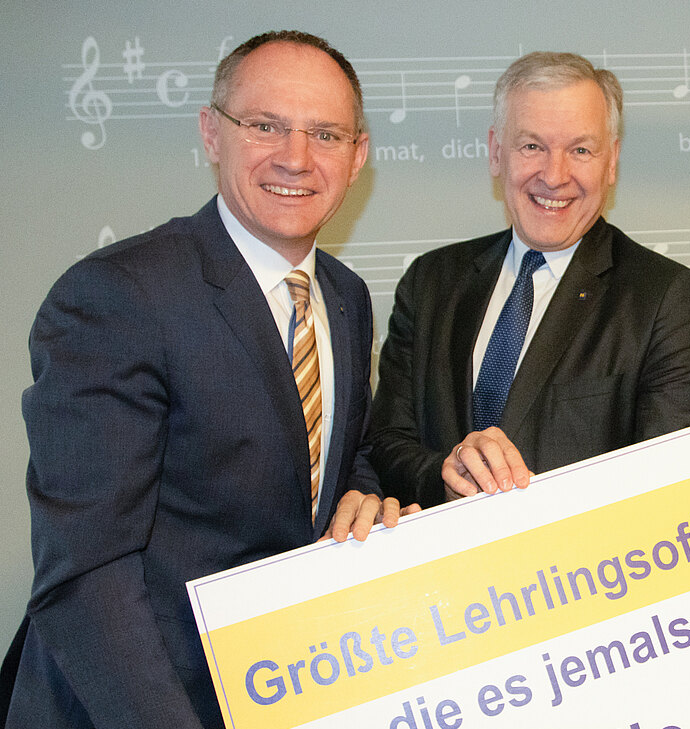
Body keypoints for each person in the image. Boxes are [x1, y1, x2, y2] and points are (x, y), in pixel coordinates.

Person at [7, 31, 413, 729]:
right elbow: (87, 574)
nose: (296, 157)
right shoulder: (117, 296)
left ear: (358, 155)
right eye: (265, 126)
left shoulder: (345, 296)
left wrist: (362, 494)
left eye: (325, 134)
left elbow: (337, 457)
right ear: (211, 133)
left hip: (279, 690)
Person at [368, 52, 690, 505]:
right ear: (496, 152)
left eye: (580, 150)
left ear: (611, 162)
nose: (554, 176)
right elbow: (386, 444)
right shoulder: (429, 282)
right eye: (532, 146)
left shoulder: (665, 298)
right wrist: (445, 475)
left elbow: (671, 484)